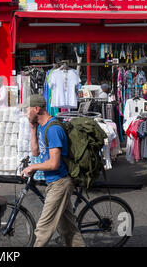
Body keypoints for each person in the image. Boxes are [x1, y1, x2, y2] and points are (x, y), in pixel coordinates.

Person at [21, 94, 85, 247]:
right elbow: (36, 152)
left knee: (43, 229)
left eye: (27, 109)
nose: (25, 113)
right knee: (68, 229)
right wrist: (32, 129)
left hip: (60, 183)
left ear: (36, 109)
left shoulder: (54, 129)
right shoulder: (42, 127)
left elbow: (54, 163)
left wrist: (32, 167)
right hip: (54, 182)